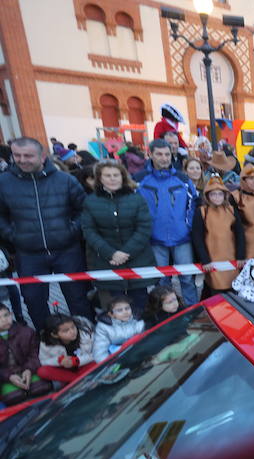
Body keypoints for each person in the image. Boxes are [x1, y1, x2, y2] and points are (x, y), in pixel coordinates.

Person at [0, 137, 93, 331]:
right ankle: (46, 339)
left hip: (66, 249)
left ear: (42, 156)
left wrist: (71, 230)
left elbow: (83, 210)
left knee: (77, 297)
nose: (22, 160)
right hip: (28, 253)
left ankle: (86, 335)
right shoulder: (4, 182)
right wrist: (13, 235)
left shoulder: (65, 180)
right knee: (34, 300)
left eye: (28, 155)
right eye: (17, 155)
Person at [82, 160, 156, 315]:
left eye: (116, 175)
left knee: (139, 308)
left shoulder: (137, 199)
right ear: (100, 178)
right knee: (113, 310)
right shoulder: (90, 201)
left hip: (136, 261)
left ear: (123, 177)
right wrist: (111, 253)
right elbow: (89, 231)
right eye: (107, 175)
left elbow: (144, 228)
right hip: (106, 262)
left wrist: (125, 252)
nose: (112, 178)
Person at [137, 138, 199, 306]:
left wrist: (188, 226)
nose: (164, 158)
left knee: (187, 278)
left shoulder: (183, 179)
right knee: (161, 281)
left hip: (182, 238)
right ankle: (163, 314)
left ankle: (193, 311)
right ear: (150, 154)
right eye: (159, 154)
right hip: (155, 239)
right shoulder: (140, 180)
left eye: (167, 154)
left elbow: (193, 203)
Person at [191, 175, 246, 295]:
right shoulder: (202, 212)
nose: (217, 197)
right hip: (213, 258)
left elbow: (239, 233)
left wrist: (240, 255)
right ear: (207, 196)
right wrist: (204, 259)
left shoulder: (231, 210)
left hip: (230, 256)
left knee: (233, 287)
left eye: (220, 194)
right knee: (216, 289)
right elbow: (197, 237)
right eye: (213, 194)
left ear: (224, 195)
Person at [0, 303, 51, 406]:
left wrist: (28, 369)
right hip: (5, 376)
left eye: (6, 315)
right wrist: (9, 376)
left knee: (41, 388)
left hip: (28, 370)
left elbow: (35, 353)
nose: (4, 320)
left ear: (11, 314)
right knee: (13, 397)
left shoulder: (26, 332)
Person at [37, 313, 94, 385]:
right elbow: (43, 361)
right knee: (42, 371)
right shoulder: (46, 343)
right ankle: (80, 380)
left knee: (95, 363)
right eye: (66, 331)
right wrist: (59, 360)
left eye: (73, 327)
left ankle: (77, 382)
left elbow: (96, 353)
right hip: (66, 370)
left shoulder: (85, 334)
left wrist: (77, 361)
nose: (72, 332)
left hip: (84, 365)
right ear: (54, 334)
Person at [92, 295, 144, 363]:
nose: (125, 312)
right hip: (119, 359)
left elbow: (147, 336)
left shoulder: (137, 319)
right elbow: (99, 352)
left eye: (127, 308)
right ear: (111, 314)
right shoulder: (103, 327)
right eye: (119, 310)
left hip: (140, 353)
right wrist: (110, 365)